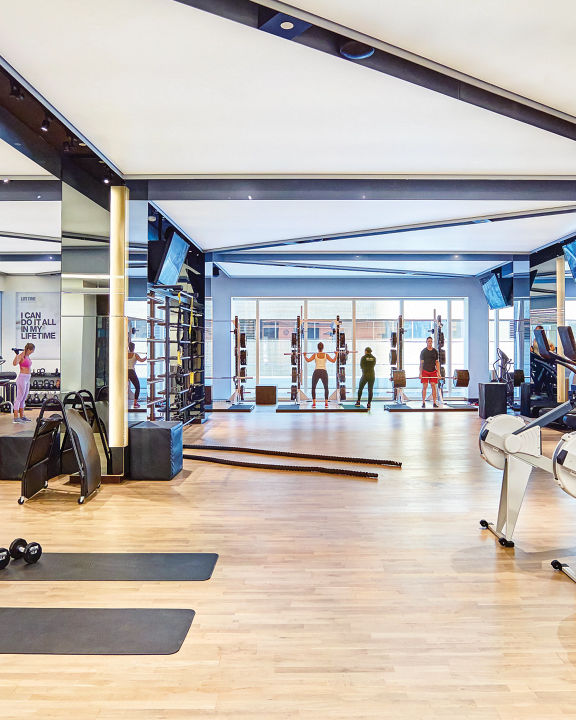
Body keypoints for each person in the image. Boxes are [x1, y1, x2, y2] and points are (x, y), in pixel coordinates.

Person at [304, 341, 336, 408]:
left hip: (317, 371)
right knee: (326, 387)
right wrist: (336, 354)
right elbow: (333, 361)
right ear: (323, 348)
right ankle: (326, 403)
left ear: (317, 348)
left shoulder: (315, 354)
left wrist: (304, 356)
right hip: (324, 372)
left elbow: (308, 360)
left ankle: (314, 403)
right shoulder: (326, 355)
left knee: (313, 387)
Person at [12, 343, 34, 423]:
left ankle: (22, 416)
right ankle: (15, 417)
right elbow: (14, 364)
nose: (31, 353)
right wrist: (17, 354)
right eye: (31, 351)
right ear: (28, 349)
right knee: (19, 398)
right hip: (22, 378)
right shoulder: (21, 355)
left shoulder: (27, 356)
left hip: (27, 378)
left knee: (23, 398)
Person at [420, 336, 440, 408]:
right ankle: (423, 402)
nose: (430, 343)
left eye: (431, 341)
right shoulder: (423, 352)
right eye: (428, 341)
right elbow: (421, 363)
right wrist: (420, 373)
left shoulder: (435, 351)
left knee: (433, 386)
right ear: (426, 342)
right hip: (425, 371)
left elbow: (437, 363)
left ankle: (434, 403)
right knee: (424, 386)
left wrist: (439, 373)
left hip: (433, 371)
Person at [128, 342, 147, 409]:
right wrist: (147, 356)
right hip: (131, 372)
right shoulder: (135, 355)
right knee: (137, 387)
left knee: (123, 388)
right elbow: (142, 360)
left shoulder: (125, 355)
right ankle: (135, 403)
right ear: (134, 348)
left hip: (125, 372)